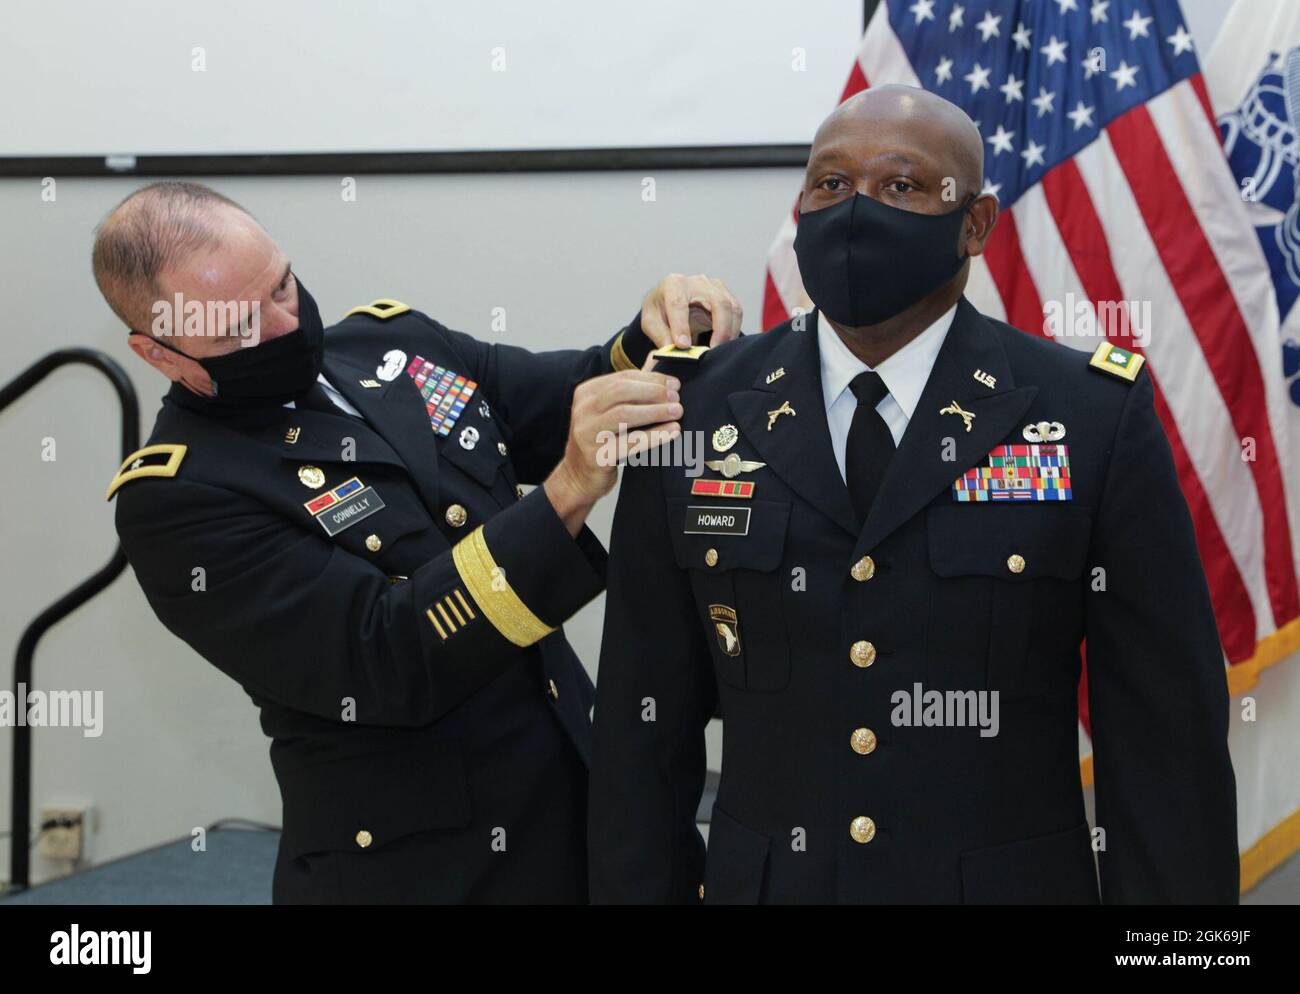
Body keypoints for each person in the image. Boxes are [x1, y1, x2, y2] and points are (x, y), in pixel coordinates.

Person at [588, 86, 1239, 904]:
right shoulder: (693, 411)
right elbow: (641, 736)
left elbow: (1163, 745)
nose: (856, 211)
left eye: (901, 186)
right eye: (830, 184)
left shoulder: (1090, 416)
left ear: (975, 223)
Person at [95, 181, 742, 903]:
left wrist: (659, 335)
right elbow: (388, 656)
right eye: (239, 325)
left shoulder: (390, 346)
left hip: (580, 806)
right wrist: (567, 490)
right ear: (160, 353)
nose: (282, 324)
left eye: (281, 285)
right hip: (426, 868)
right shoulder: (180, 498)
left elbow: (570, 396)